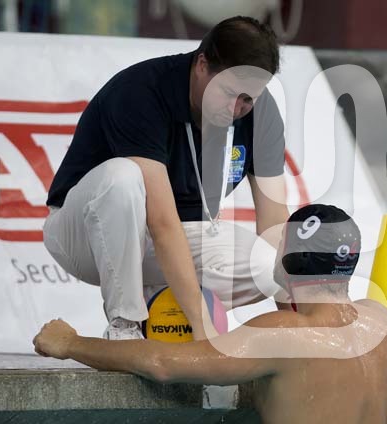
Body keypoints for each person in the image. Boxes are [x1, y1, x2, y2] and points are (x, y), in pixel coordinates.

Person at [34, 204, 387, 424]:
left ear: (290, 257)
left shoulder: (283, 334)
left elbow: (162, 363)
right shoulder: (382, 324)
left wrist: (70, 343)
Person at [43, 16, 290, 340]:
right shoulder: (140, 92)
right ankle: (125, 326)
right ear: (202, 65)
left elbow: (274, 223)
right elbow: (161, 222)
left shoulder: (262, 113)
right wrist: (204, 331)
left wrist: (298, 328)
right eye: (229, 92)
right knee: (122, 177)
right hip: (84, 234)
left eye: (248, 99)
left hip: (168, 241)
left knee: (269, 265)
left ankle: (161, 312)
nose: (236, 108)